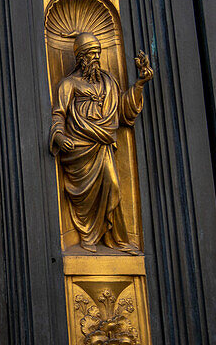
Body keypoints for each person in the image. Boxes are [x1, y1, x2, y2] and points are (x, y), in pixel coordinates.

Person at [50, 32, 152, 252]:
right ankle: (88, 234)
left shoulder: (108, 82)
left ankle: (114, 238)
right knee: (86, 196)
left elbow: (123, 110)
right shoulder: (69, 84)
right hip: (80, 146)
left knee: (113, 185)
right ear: (81, 57)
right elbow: (59, 114)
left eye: (98, 53)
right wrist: (59, 136)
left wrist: (141, 83)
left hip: (103, 143)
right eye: (91, 54)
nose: (96, 58)